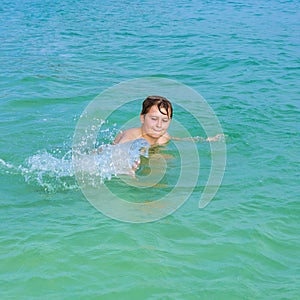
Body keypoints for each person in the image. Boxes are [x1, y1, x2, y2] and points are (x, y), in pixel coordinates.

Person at [113, 95, 223, 146]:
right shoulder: (131, 136)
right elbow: (118, 153)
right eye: (154, 119)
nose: (159, 125)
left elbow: (178, 139)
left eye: (165, 120)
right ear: (142, 118)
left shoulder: (164, 137)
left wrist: (204, 140)